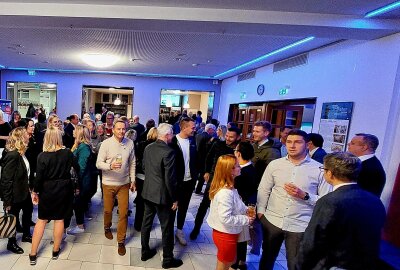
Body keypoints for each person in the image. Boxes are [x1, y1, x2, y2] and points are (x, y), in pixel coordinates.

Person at [296, 152, 386, 270]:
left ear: (329, 173)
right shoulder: (374, 200)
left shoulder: (329, 201)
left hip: (335, 264)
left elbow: (313, 241)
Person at [257, 129, 332, 270]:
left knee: (295, 263)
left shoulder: (319, 169)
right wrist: (261, 211)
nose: (291, 146)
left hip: (300, 224)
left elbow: (326, 200)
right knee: (267, 258)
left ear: (307, 145)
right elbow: (264, 188)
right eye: (289, 142)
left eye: (297, 142)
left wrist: (305, 196)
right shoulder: (275, 165)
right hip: (273, 220)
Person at [29, 127, 76, 265]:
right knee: (59, 219)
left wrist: (35, 192)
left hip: (47, 190)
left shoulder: (42, 156)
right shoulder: (67, 153)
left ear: (47, 138)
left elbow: (39, 179)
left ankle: (33, 253)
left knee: (42, 219)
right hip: (64, 189)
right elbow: (77, 168)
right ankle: (55, 251)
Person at [141, 123, 183, 269]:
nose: (172, 137)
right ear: (167, 135)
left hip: (148, 192)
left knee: (146, 223)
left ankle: (145, 251)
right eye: (171, 134)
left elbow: (145, 168)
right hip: (163, 197)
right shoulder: (169, 152)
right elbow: (170, 179)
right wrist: (175, 199)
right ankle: (168, 259)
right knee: (167, 227)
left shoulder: (148, 147)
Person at [190, 127, 241, 240]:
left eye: (231, 137)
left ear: (238, 137)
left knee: (227, 207)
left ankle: (225, 232)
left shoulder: (239, 149)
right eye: (226, 135)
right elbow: (208, 158)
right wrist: (207, 171)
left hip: (231, 181)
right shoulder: (218, 144)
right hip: (215, 178)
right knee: (204, 204)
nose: (227, 138)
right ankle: (196, 228)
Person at [206, 154, 254, 270]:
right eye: (237, 166)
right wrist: (246, 219)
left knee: (230, 260)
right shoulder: (225, 193)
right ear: (230, 171)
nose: (240, 167)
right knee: (224, 264)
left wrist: (246, 209)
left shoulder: (229, 187)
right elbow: (225, 218)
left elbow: (236, 204)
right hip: (225, 235)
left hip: (228, 233)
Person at [96, 119, 136, 256]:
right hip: (108, 183)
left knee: (124, 213)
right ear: (113, 130)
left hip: (124, 183)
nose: (121, 131)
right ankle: (107, 227)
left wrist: (133, 180)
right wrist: (110, 166)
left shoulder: (130, 143)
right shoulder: (106, 144)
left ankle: (121, 241)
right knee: (108, 210)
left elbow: (132, 162)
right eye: (118, 129)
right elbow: (98, 163)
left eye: (123, 129)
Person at [250, 121, 281, 255]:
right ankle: (251, 241)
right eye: (254, 130)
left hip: (261, 190)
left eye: (257, 131)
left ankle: (256, 248)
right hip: (251, 187)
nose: (254, 133)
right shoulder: (254, 146)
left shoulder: (272, 152)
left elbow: (272, 176)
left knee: (257, 220)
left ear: (266, 133)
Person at [0, 127, 32, 254]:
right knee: (12, 217)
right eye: (26, 135)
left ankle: (25, 234)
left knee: (28, 211)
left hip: (24, 191)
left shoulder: (22, 152)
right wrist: (7, 201)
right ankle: (11, 243)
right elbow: (6, 180)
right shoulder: (13, 155)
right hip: (14, 193)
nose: (29, 136)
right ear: (21, 138)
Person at [170, 118, 197, 246]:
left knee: (184, 207)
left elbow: (197, 159)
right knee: (172, 207)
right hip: (176, 182)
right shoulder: (172, 141)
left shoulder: (193, 141)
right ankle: (168, 231)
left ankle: (179, 230)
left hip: (189, 181)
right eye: (192, 127)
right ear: (184, 127)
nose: (194, 129)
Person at [232, 142, 257, 270]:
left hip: (240, 208)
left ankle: (235, 262)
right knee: (242, 236)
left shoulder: (241, 172)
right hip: (246, 207)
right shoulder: (252, 168)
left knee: (237, 236)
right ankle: (242, 260)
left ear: (239, 153)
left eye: (235, 150)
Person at [66, 125, 93, 234]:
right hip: (80, 181)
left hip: (81, 182)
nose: (73, 131)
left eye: (75, 130)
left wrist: (76, 185)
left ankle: (80, 226)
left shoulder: (84, 148)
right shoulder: (79, 145)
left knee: (78, 203)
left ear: (80, 134)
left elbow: (81, 168)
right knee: (78, 203)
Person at [133, 127, 157, 231]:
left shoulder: (140, 144)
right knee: (150, 203)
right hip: (152, 177)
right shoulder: (158, 147)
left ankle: (137, 224)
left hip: (140, 176)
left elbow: (136, 159)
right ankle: (146, 225)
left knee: (140, 200)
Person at [347, 133, 386, 197]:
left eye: (352, 143)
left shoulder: (369, 168)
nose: (348, 144)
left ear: (364, 147)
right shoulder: (364, 163)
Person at [194, 123, 216, 194]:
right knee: (202, 177)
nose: (214, 132)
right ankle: (198, 190)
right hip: (204, 160)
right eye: (213, 130)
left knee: (195, 174)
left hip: (196, 158)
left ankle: (192, 188)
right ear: (210, 129)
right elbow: (209, 150)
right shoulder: (209, 137)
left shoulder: (197, 135)